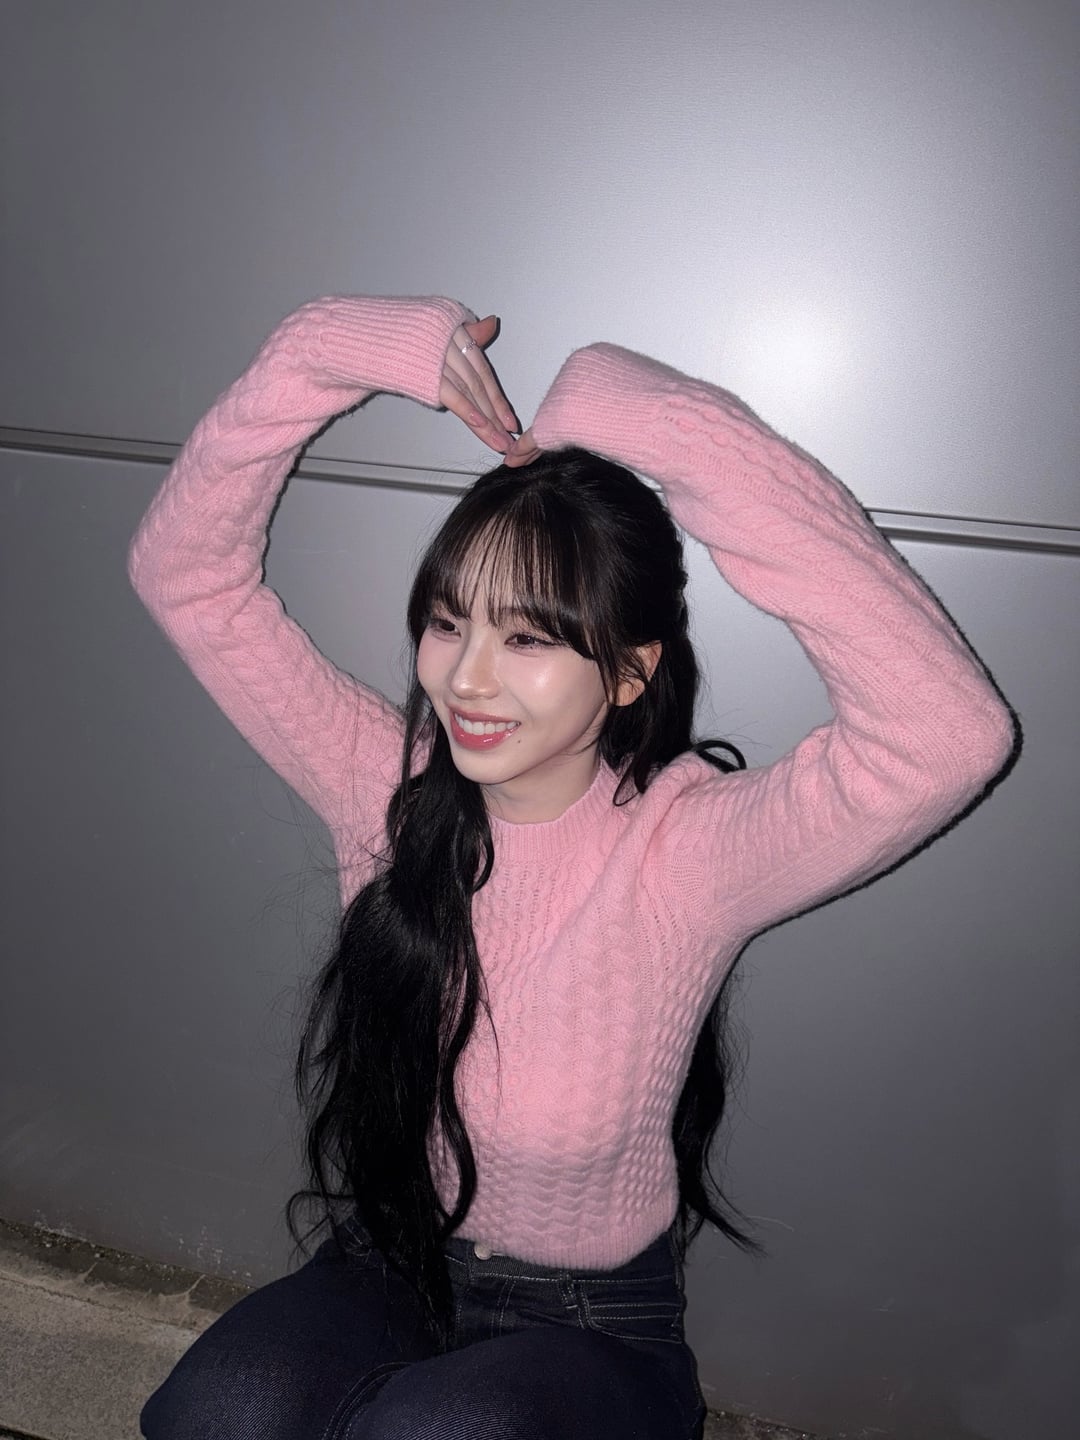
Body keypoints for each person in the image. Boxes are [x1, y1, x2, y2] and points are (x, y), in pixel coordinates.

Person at [129, 295, 1016, 1440]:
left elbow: (949, 735)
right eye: (448, 623)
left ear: (632, 673)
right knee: (219, 1409)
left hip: (590, 1323)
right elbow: (186, 575)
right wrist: (330, 349)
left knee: (443, 1433)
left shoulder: (688, 850)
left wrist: (677, 428)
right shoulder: (383, 787)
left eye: (529, 638)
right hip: (388, 1257)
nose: (466, 679)